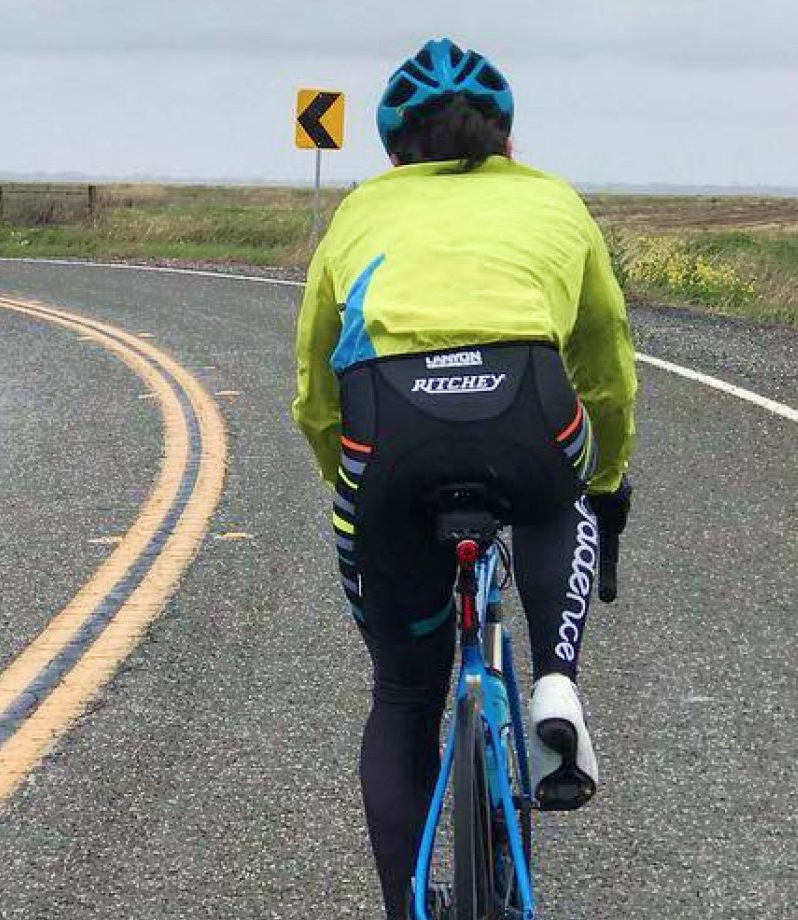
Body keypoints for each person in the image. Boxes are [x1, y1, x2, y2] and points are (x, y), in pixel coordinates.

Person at [291, 37, 637, 917]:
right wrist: (612, 478)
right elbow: (605, 363)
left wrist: (357, 488)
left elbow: (314, 384)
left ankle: (405, 911)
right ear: (506, 140)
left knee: (406, 697)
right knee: (566, 500)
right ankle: (557, 679)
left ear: (393, 150)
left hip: (388, 429)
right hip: (528, 404)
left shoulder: (363, 210)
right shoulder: (554, 201)